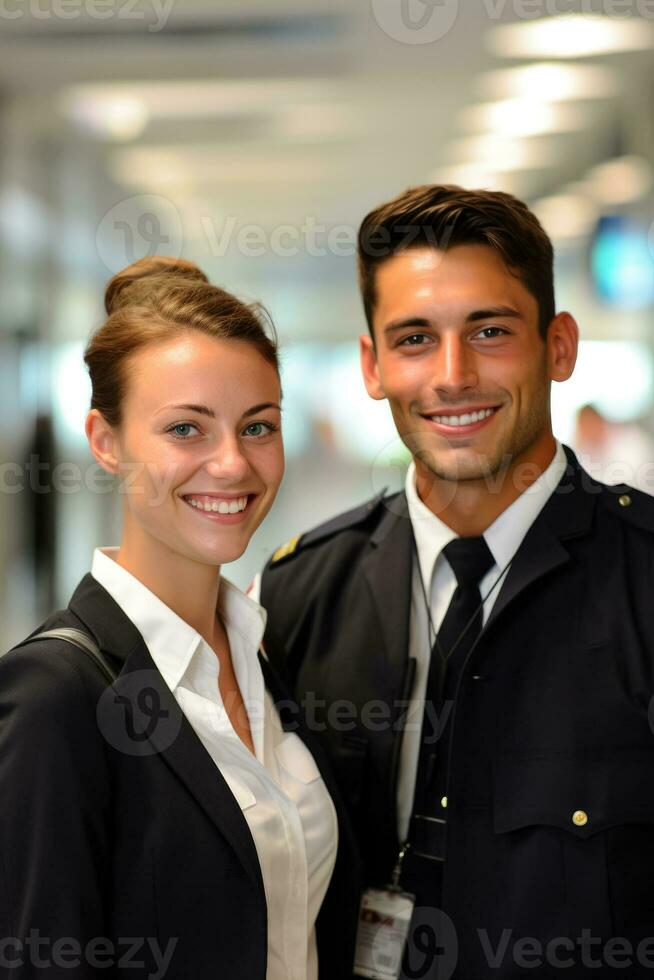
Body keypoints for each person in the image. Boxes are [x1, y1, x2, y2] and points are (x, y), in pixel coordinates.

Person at [258, 186, 654, 978]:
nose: (453, 375)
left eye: (491, 331)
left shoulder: (644, 577)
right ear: (373, 365)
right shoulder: (304, 590)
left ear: (559, 346)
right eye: (414, 338)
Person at [0, 257, 359, 980]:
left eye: (258, 427)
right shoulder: (55, 696)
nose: (232, 465)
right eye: (186, 430)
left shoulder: (264, 650)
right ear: (105, 441)